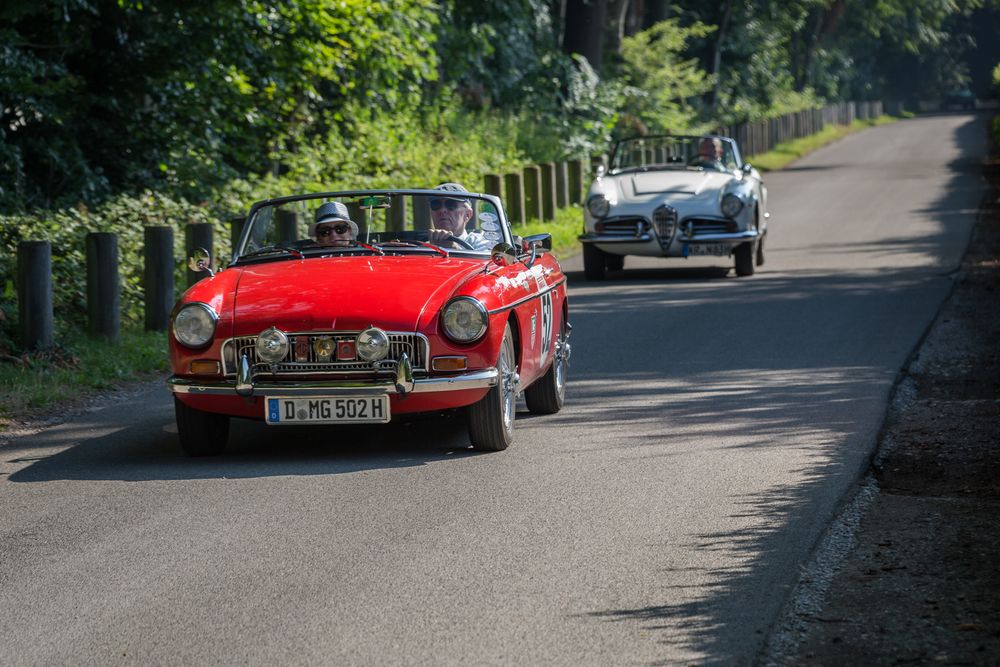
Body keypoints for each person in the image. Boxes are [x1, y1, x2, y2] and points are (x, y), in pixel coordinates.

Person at [427, 183, 493, 251]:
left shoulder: (481, 243)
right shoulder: (422, 248)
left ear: (467, 214)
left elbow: (484, 260)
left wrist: (454, 249)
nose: (442, 210)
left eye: (451, 205)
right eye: (435, 205)